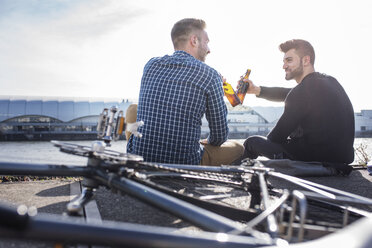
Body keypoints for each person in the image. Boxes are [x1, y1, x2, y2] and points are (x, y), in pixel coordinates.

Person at [126, 18, 244, 165]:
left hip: (142, 159)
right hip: (185, 163)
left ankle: (136, 154)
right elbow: (219, 136)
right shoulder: (210, 75)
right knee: (239, 148)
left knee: (133, 109)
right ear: (194, 40)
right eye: (206, 42)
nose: (209, 49)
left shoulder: (150, 65)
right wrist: (216, 88)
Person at [240, 39, 355, 174]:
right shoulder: (331, 82)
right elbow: (290, 93)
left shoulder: (301, 92)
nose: (284, 66)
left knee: (252, 142)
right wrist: (257, 90)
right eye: (283, 61)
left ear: (306, 60)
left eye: (289, 60)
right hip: (343, 158)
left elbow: (275, 138)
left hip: (314, 159)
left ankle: (235, 173)